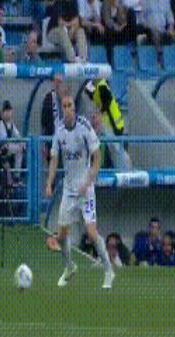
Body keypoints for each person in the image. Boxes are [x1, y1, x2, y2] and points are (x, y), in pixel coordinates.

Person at [46, 94, 115, 289]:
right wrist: (49, 183)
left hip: (85, 188)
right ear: (62, 109)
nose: (67, 109)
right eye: (64, 106)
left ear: (74, 108)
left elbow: (97, 156)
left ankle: (108, 271)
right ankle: (69, 267)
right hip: (69, 189)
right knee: (62, 234)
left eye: (70, 105)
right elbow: (54, 159)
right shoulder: (59, 131)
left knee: (91, 232)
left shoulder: (84, 127)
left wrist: (89, 179)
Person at [0, 100, 25, 185]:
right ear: (3, 113)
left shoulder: (11, 124)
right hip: (2, 149)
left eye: (9, 111)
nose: (8, 113)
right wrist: (16, 143)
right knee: (18, 149)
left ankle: (17, 176)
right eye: (6, 111)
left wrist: (22, 144)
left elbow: (18, 136)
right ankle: (16, 176)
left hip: (9, 148)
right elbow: (3, 139)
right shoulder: (1, 123)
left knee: (21, 148)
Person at [41, 74, 67, 164]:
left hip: (66, 139)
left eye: (60, 82)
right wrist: (44, 143)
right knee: (53, 164)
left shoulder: (67, 99)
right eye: (56, 81)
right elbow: (44, 122)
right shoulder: (49, 98)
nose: (58, 84)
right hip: (52, 139)